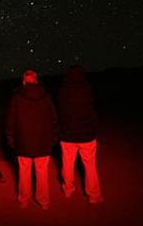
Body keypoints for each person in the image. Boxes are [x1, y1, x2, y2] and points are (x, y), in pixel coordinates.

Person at [6, 70, 58, 210]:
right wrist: (53, 136)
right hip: (42, 142)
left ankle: (24, 200)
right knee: (42, 173)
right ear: (36, 80)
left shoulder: (17, 96)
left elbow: (10, 119)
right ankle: (44, 201)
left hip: (23, 141)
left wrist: (10, 137)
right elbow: (54, 118)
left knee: (24, 172)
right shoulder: (46, 95)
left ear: (24, 81)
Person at [58, 66, 104, 204]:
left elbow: (60, 113)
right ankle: (94, 195)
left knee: (67, 164)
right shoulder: (88, 90)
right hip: (86, 136)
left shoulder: (62, 91)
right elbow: (93, 112)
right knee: (90, 166)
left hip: (67, 136)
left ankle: (68, 190)